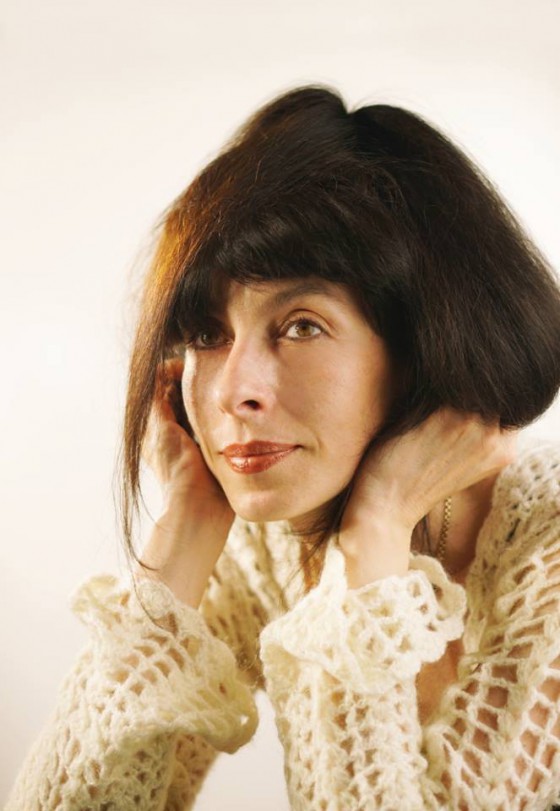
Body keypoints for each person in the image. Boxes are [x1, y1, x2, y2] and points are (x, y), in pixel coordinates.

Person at [5, 84, 560, 810]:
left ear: (423, 342)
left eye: (301, 326)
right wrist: (187, 524)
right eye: (207, 333)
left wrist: (376, 532)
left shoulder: (549, 550)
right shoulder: (270, 547)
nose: (234, 391)